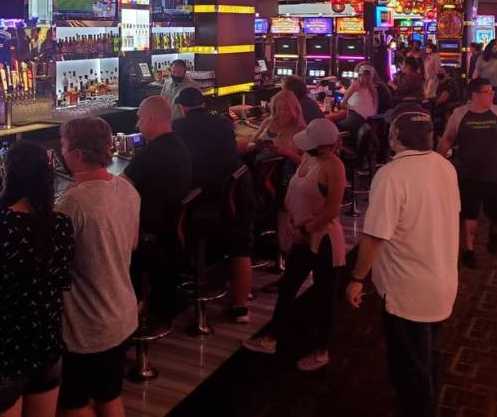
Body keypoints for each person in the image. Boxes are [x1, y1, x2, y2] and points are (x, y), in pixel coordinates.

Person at [346, 112, 460, 417]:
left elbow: (374, 236)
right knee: (429, 356)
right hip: (443, 279)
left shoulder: (392, 175)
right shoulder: (445, 166)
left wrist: (358, 278)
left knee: (411, 369)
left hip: (407, 288)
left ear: (394, 138)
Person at [0, 141, 75, 417]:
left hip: (2, 356)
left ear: (9, 176)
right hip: (47, 348)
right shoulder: (61, 225)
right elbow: (61, 284)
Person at [243, 119, 346, 372]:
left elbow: (333, 209)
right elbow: (296, 191)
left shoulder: (334, 167)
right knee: (288, 286)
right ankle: (272, 338)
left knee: (325, 296)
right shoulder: (310, 160)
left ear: (324, 147)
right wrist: (291, 221)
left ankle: (321, 350)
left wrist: (304, 228)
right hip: (300, 235)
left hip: (324, 241)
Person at [56, 117, 139, 417]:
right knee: (108, 395)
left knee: (71, 404)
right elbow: (132, 244)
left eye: (63, 147)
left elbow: (53, 264)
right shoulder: (127, 189)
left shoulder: (72, 204)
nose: (62, 154)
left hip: (87, 327)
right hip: (122, 314)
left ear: (77, 155)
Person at [174, 87, 251, 323]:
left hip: (201, 203)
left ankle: (175, 289)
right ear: (203, 104)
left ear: (182, 107)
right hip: (236, 198)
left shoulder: (178, 127)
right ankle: (241, 306)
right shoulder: (223, 123)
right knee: (241, 246)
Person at [438, 78, 497, 268]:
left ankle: (494, 233)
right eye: (488, 92)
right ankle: (469, 250)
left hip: (495, 174)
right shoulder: (459, 114)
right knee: (469, 214)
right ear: (475, 95)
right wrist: (438, 162)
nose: (492, 95)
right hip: (468, 175)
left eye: (492, 91)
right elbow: (447, 140)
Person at [123, 96, 193, 320]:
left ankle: (124, 312)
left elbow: (118, 186)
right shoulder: (179, 144)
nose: (137, 125)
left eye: (139, 119)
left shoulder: (152, 153)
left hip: (151, 233)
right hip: (171, 232)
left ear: (151, 119)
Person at [250, 90, 306, 164]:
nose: (282, 113)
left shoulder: (301, 130)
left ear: (294, 109)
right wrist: (256, 145)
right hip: (262, 168)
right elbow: (253, 141)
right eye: (279, 109)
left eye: (286, 109)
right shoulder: (268, 122)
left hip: (286, 173)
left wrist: (287, 152)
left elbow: (306, 164)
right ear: (274, 109)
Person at [329, 65, 378, 136]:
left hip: (354, 120)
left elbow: (343, 103)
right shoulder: (374, 90)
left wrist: (343, 106)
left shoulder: (356, 84)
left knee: (330, 122)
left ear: (360, 74)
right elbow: (375, 111)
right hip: (367, 123)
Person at [472, 39, 497, 106]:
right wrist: (473, 82)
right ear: (489, 48)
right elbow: (476, 71)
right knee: (485, 104)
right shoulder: (482, 58)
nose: (496, 50)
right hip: (485, 85)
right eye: (494, 48)